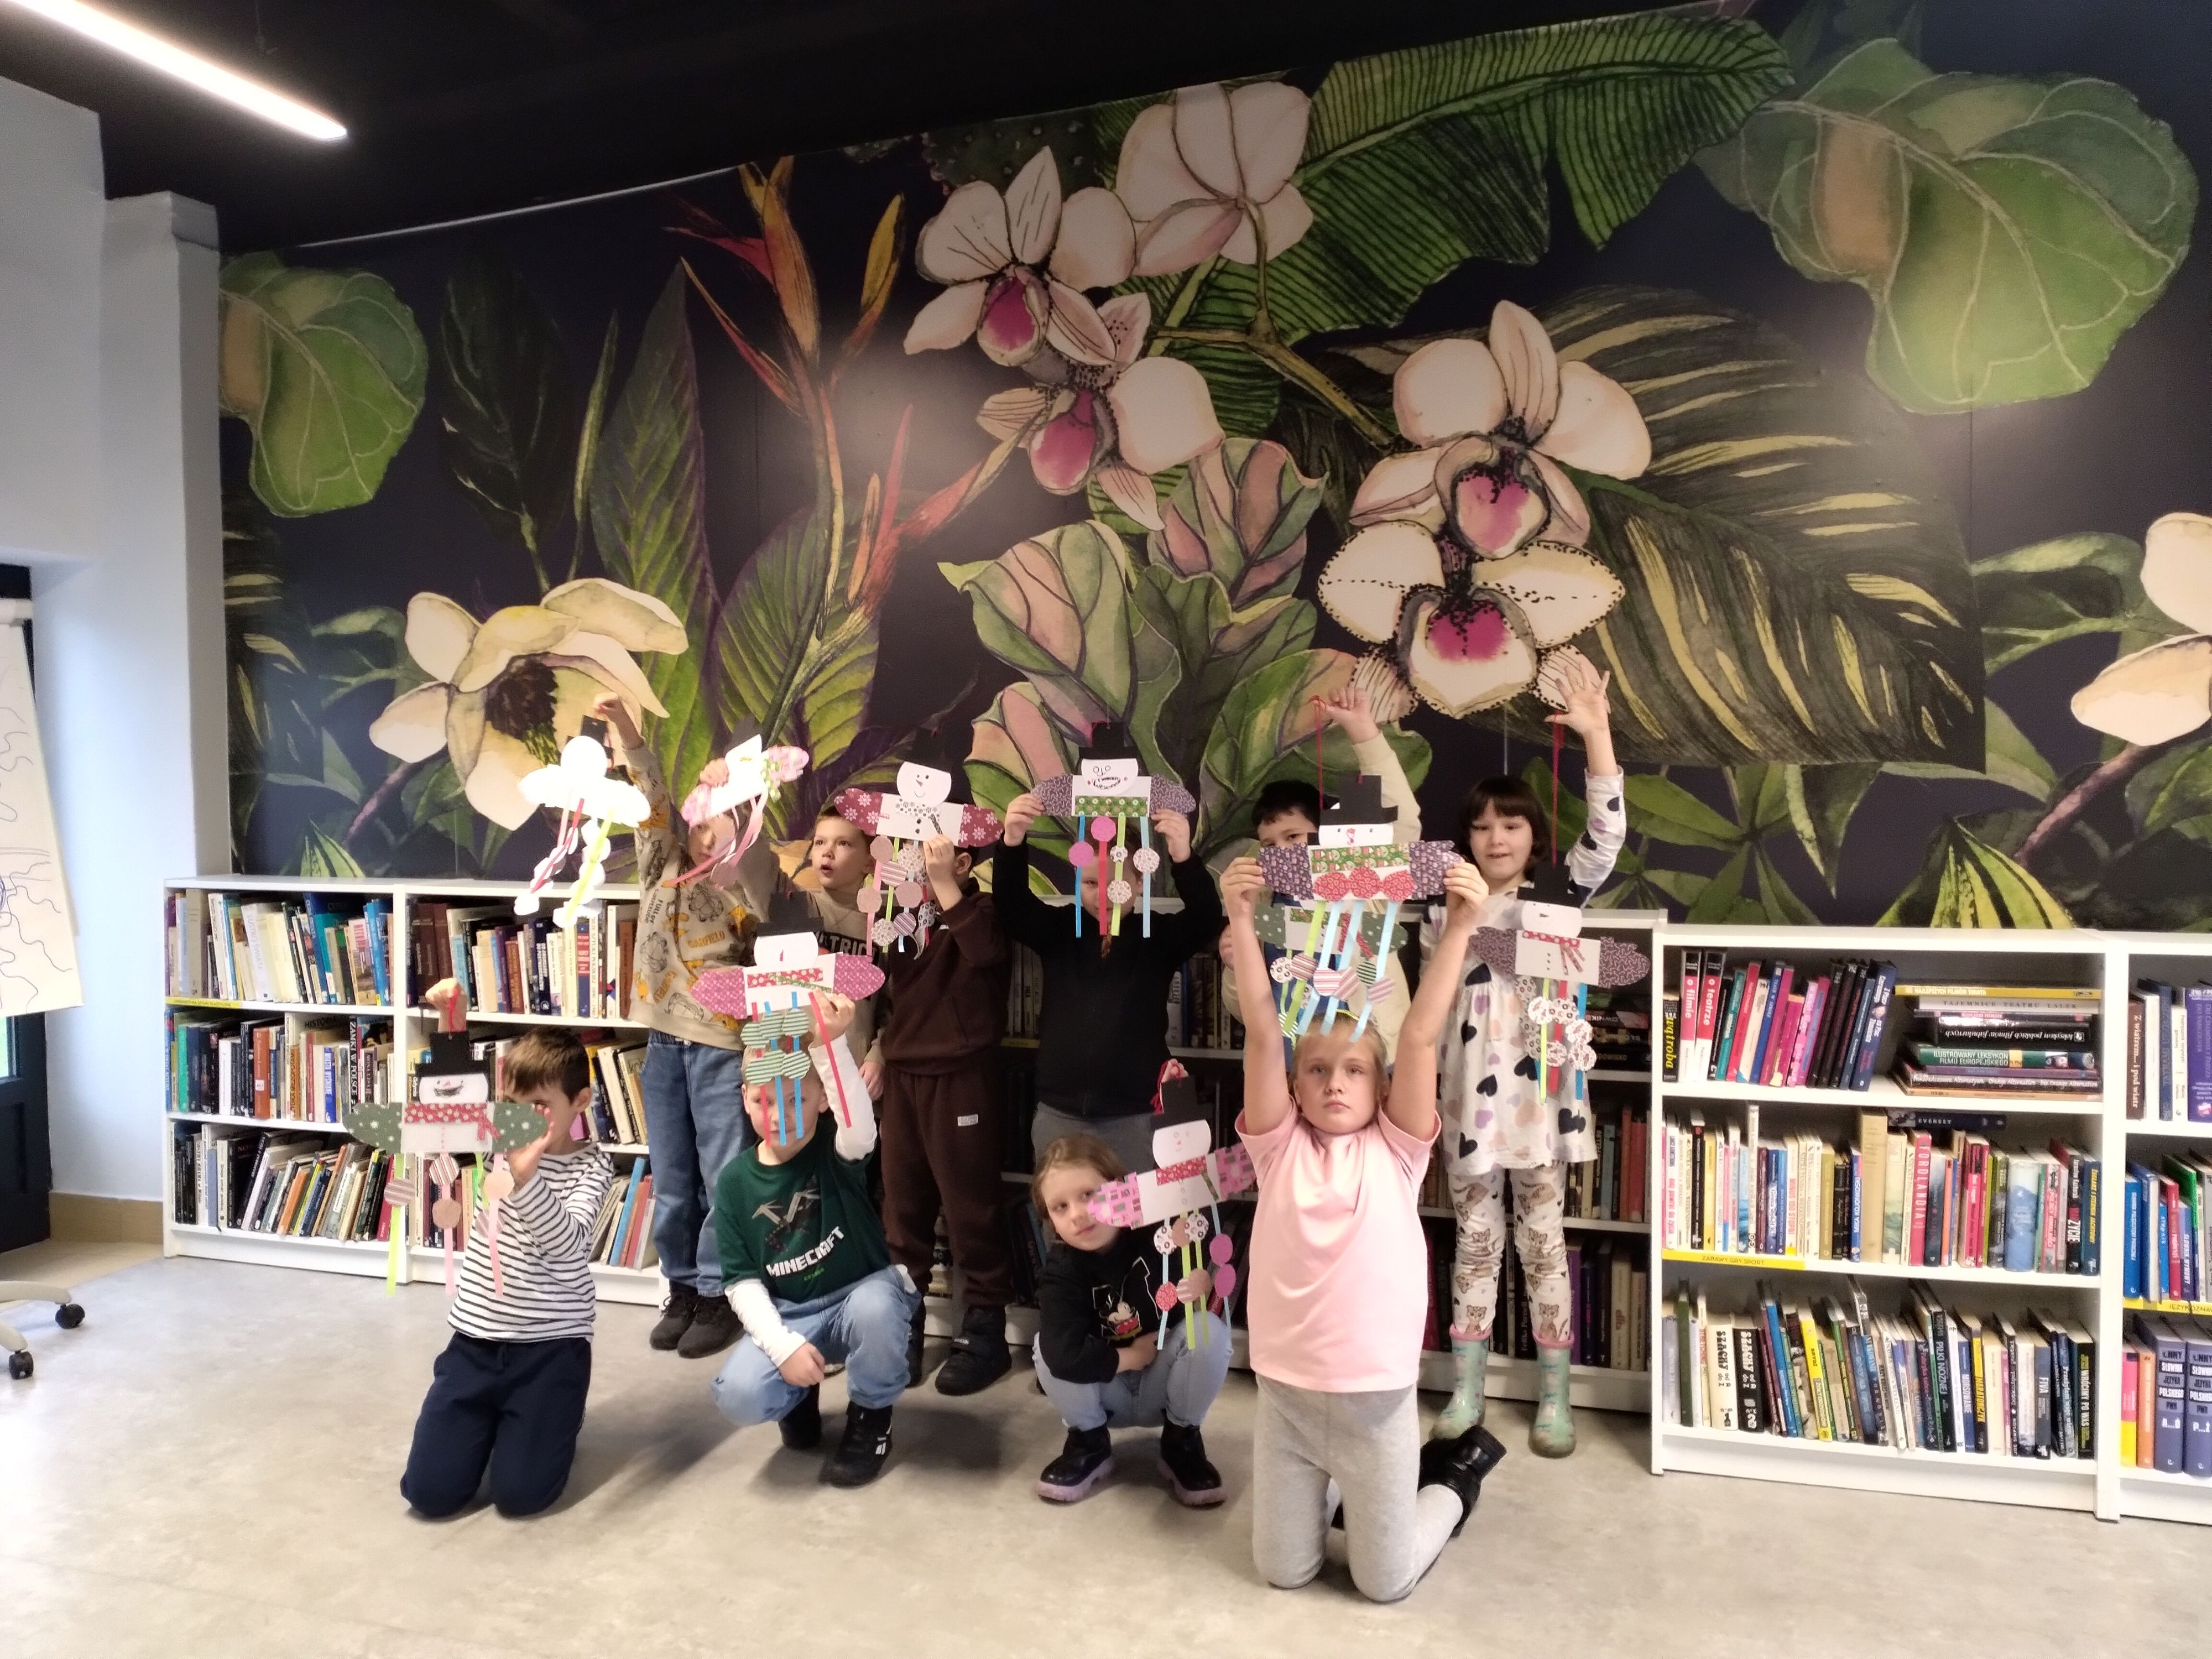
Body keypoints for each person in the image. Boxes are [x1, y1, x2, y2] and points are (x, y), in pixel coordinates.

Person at [1222, 848, 1501, 1603]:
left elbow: (1417, 1038)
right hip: (1287, 1403)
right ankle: (1334, 1494)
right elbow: (1262, 1033)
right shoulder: (1278, 1148)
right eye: (1317, 1070)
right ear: (1295, 1086)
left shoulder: (1398, 1149)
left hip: (1376, 1407)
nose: (1335, 1084)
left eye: (1353, 1071)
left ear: (1380, 1088)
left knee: (1385, 1583)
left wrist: (1461, 928)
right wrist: (1242, 919)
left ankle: (1455, 1479)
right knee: (1284, 1572)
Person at [1428, 650, 1627, 1460]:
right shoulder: (1446, 905)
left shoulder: (1556, 896)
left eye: (1510, 824)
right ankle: (1468, 1388)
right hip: (1468, 1101)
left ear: (1533, 836)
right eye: (1481, 825)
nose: (1496, 837)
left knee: (1543, 1244)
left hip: (1540, 1103)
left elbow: (1606, 837)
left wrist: (1596, 734)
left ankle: (1555, 1396)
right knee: (1475, 1244)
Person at [400, 1029, 616, 1519]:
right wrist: (452, 1019)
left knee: (521, 1498)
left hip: (550, 1351)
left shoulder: (592, 1167)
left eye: (539, 1106)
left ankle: (555, 1415)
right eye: (513, 1104)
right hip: (474, 1345)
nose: (521, 1119)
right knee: (429, 1494)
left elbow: (568, 1248)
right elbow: (451, 1092)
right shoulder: (493, 1142)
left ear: (580, 1102)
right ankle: (495, 1425)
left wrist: (526, 1178)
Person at [707, 992, 919, 1488]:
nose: (778, 1116)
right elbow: (741, 1283)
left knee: (877, 1309)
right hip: (792, 1313)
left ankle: (872, 1418)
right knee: (738, 1394)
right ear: (745, 1098)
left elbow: (860, 1126)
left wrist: (831, 1046)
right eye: (762, 1101)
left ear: (822, 1099)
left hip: (858, 1297)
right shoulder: (735, 1182)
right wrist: (782, 1349)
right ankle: (798, 1395)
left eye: (795, 1100)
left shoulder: (837, 1149)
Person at [596, 692, 752, 1361]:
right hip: (662, 1045)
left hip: (720, 1048)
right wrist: (625, 730)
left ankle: (721, 1293)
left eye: (720, 820)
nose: (705, 828)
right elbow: (650, 797)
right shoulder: (662, 864)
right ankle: (682, 1287)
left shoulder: (746, 884)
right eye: (700, 817)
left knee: (723, 1177)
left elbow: (755, 851)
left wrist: (738, 794)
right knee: (674, 1177)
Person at [997, 791, 1223, 1176]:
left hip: (1135, 1114)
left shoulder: (1157, 937)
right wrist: (1013, 840)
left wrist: (1183, 857)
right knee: (1064, 1210)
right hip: (1060, 1111)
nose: (1102, 894)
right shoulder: (1061, 930)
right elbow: (1012, 906)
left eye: (1116, 883)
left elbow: (1205, 918)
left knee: (1136, 1212)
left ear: (1139, 881)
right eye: (1090, 883)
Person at [876, 831, 1018, 1396]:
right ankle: (904, 1327)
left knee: (970, 1209)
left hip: (961, 1077)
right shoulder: (903, 915)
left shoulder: (985, 912)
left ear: (962, 863)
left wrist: (942, 884)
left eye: (931, 855)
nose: (919, 863)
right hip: (903, 1076)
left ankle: (984, 1334)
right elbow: (886, 984)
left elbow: (985, 953)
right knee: (902, 1210)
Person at [1221, 684, 1422, 1060]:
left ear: (1325, 836)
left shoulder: (1361, 884)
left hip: (1367, 1061)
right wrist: (1235, 966)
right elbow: (1243, 1012)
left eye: (1294, 836)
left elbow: (1404, 820)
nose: (1283, 851)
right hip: (1287, 1068)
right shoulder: (1260, 905)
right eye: (1269, 845)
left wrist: (1362, 731)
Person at [1029, 1133, 1230, 1506]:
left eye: (1089, 1195)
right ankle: (1089, 1444)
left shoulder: (1159, 1235)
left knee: (1208, 1331)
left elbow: (1195, 1273)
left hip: (1163, 1386)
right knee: (1047, 1348)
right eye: (1060, 1207)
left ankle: (1182, 1441)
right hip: (1106, 1393)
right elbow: (1062, 1355)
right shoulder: (1061, 1270)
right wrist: (1131, 1357)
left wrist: (1198, 1267)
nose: (1077, 1214)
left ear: (1122, 1189)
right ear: (1050, 1220)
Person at [738, 803, 884, 1088]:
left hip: (849, 1077)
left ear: (870, 863)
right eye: (820, 842)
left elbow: (892, 1005)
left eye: (843, 843)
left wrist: (879, 1054)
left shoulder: (882, 927)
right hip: (785, 1080)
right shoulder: (794, 905)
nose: (827, 852)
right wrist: (741, 810)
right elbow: (755, 865)